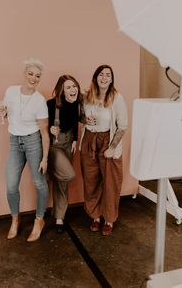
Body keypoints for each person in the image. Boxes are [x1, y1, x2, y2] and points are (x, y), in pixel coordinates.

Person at [0, 58, 49, 242]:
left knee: (39, 182)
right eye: (30, 74)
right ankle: (15, 219)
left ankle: (39, 220)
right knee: (11, 185)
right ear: (24, 74)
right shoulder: (11, 91)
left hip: (33, 142)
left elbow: (44, 132)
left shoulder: (40, 101)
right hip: (14, 142)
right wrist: (2, 111)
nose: (34, 78)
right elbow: (5, 110)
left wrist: (45, 159)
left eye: (37, 76)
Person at [80, 65, 127, 236]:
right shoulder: (87, 95)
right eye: (101, 74)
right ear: (95, 77)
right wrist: (86, 120)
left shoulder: (116, 97)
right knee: (91, 180)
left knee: (110, 182)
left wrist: (112, 148)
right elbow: (81, 116)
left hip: (108, 141)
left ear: (112, 79)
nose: (104, 78)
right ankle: (96, 216)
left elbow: (122, 126)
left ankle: (109, 219)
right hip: (89, 141)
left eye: (108, 75)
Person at [47, 75, 82, 233]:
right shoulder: (51, 104)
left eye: (74, 86)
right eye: (68, 87)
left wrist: (75, 139)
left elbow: (75, 122)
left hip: (69, 143)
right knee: (67, 174)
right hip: (55, 144)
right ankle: (50, 173)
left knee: (62, 182)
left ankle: (59, 216)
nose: (72, 89)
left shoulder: (77, 104)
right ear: (61, 90)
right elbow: (39, 124)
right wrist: (49, 128)